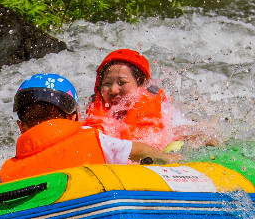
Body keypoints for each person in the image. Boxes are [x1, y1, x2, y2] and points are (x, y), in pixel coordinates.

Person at [0, 73, 172, 184]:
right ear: (74, 117)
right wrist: (168, 158)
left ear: (21, 127)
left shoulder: (8, 171)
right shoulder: (94, 140)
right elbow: (137, 149)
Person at [81, 49, 220, 150]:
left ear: (141, 84)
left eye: (122, 83)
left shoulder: (161, 109)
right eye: (107, 84)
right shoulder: (93, 111)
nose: (113, 90)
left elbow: (182, 129)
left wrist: (202, 137)